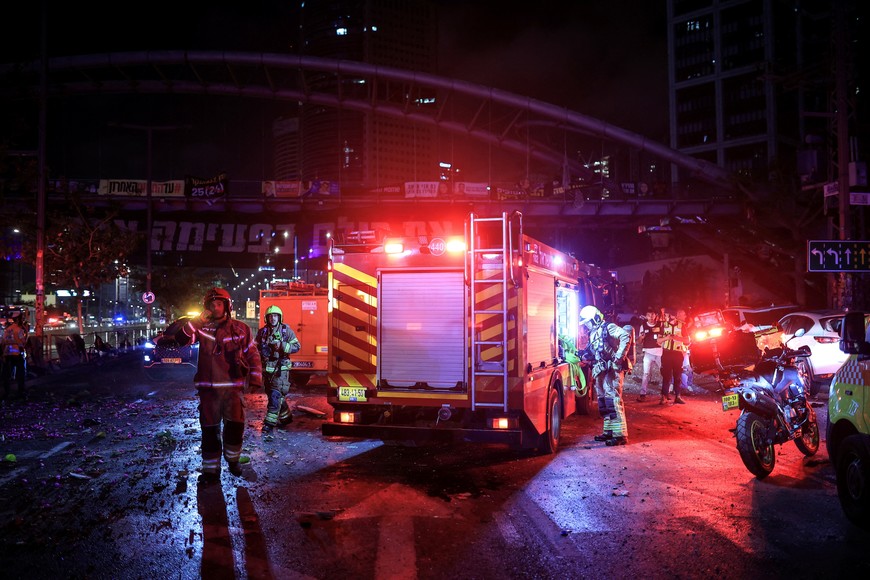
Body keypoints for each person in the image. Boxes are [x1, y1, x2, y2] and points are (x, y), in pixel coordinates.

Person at [167, 287, 263, 482]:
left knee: (235, 428)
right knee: (210, 431)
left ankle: (233, 461)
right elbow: (181, 340)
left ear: (227, 306)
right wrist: (196, 322)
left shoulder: (241, 329)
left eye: (219, 304)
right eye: (212, 304)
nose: (215, 308)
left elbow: (252, 354)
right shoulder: (201, 328)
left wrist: (255, 379)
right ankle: (211, 470)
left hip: (232, 390)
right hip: (209, 391)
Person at [579, 305, 631, 446]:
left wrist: (618, 358)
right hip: (601, 370)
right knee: (603, 401)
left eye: (588, 322)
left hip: (612, 370)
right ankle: (609, 432)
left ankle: (620, 435)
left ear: (595, 319)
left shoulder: (609, 327)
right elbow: (593, 350)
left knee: (613, 401)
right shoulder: (594, 332)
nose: (586, 326)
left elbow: (625, 336)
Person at [256, 304, 301, 436]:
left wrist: (282, 345)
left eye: (275, 316)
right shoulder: (262, 332)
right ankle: (286, 418)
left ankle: (269, 424)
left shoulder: (286, 331)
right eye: (270, 316)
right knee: (274, 395)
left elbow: (297, 346)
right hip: (268, 372)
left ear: (279, 317)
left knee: (275, 397)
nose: (273, 318)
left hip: (281, 371)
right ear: (266, 318)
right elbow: (255, 348)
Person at [636, 308, 663, 402]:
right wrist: (641, 337)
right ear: (646, 316)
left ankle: (665, 393)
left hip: (660, 353)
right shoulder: (643, 326)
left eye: (652, 315)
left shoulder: (661, 324)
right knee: (646, 374)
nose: (651, 317)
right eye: (649, 315)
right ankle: (643, 394)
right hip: (648, 353)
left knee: (664, 373)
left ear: (655, 315)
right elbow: (639, 342)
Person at [659, 312, 686, 405]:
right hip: (666, 353)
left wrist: (677, 338)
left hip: (678, 354)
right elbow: (658, 341)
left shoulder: (682, 326)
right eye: (669, 315)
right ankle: (664, 396)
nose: (671, 317)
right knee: (666, 376)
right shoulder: (664, 325)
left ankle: (678, 396)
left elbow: (688, 340)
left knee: (677, 376)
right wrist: (667, 337)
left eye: (673, 315)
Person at [1, 311, 29, 399]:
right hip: (17, 353)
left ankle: (6, 393)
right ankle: (20, 392)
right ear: (18, 319)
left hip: (7, 353)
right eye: (21, 318)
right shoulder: (19, 330)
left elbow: (3, 342)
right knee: (20, 373)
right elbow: (23, 342)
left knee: (7, 374)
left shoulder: (7, 329)